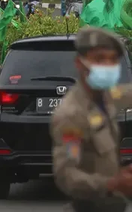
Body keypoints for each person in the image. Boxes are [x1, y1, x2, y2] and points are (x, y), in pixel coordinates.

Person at [51, 27, 132, 212]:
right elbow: (67, 174)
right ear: (80, 63)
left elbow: (126, 93)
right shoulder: (72, 115)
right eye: (99, 59)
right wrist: (113, 183)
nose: (107, 66)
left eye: (112, 60)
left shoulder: (105, 97)